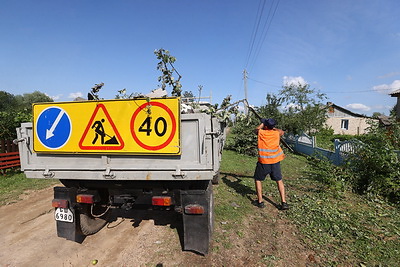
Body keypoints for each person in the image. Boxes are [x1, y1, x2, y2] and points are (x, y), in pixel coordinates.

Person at [253, 118, 289, 210]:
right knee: (279, 180)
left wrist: (262, 123)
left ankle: (260, 202)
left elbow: (255, 130)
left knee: (258, 180)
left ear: (265, 126)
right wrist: (272, 127)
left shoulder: (262, 133)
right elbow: (281, 131)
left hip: (264, 162)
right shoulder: (277, 133)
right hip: (275, 162)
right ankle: (284, 202)